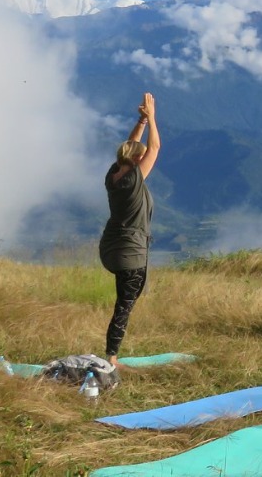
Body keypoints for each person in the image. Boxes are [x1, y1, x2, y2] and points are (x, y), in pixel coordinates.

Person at [99, 93, 161, 369]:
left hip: (110, 248)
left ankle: (112, 353)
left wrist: (141, 121)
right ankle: (112, 357)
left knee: (125, 299)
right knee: (125, 305)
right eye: (141, 156)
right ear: (137, 160)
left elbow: (131, 147)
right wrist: (153, 118)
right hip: (130, 253)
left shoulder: (113, 174)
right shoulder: (134, 178)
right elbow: (155, 148)